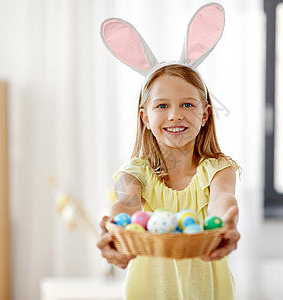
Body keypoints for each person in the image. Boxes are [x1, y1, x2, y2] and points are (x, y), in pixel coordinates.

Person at [97, 3, 241, 299]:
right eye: (162, 105)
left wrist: (226, 223)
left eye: (187, 104)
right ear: (145, 117)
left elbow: (222, 202)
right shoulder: (133, 174)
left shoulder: (218, 170)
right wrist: (115, 234)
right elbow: (124, 206)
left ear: (204, 115)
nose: (175, 115)